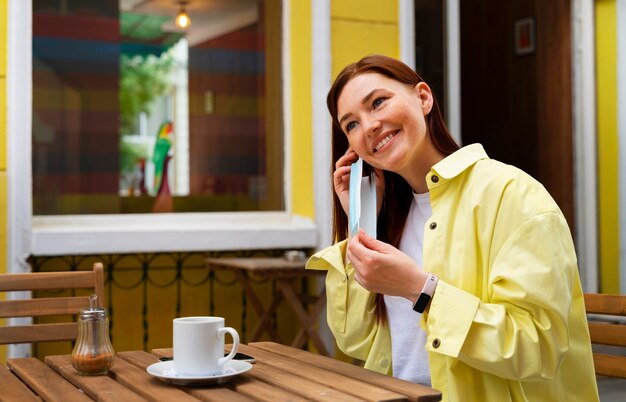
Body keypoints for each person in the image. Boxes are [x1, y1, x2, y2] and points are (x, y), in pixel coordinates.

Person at [306, 54, 599, 401]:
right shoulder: (389, 217)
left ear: (424, 98)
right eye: (350, 124)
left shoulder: (513, 195)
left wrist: (420, 290)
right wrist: (360, 223)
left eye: (378, 102)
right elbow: (353, 337)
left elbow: (538, 347)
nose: (368, 126)